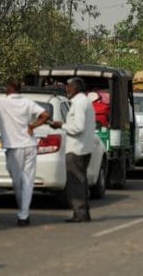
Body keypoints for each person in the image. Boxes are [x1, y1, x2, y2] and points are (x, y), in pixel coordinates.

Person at [0, 80, 50, 227]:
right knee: (27, 181)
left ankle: (23, 214)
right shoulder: (27, 102)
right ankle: (23, 213)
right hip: (30, 144)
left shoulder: (0, 103)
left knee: (18, 182)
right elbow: (45, 115)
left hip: (14, 147)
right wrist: (33, 126)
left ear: (8, 89)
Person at [51, 77, 95, 223]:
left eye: (68, 87)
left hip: (77, 148)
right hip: (82, 147)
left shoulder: (79, 102)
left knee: (76, 182)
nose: (67, 90)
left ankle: (80, 213)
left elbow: (78, 127)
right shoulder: (84, 101)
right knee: (80, 181)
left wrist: (61, 126)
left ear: (75, 88)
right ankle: (82, 213)